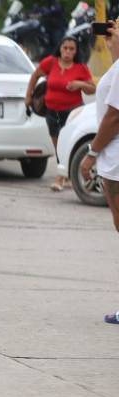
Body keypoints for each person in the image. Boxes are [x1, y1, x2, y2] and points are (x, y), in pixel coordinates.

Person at [79, 21, 119, 325]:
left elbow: (113, 118)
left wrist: (91, 153)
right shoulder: (115, 65)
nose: (110, 30)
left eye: (115, 27)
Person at [26, 36, 95, 191]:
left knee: (67, 143)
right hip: (51, 111)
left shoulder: (80, 67)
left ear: (76, 52)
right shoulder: (50, 62)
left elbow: (92, 89)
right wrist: (28, 95)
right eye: (65, 48)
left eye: (72, 49)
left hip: (72, 112)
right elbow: (35, 75)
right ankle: (66, 174)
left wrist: (80, 84)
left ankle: (60, 178)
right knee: (57, 145)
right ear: (60, 48)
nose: (68, 52)